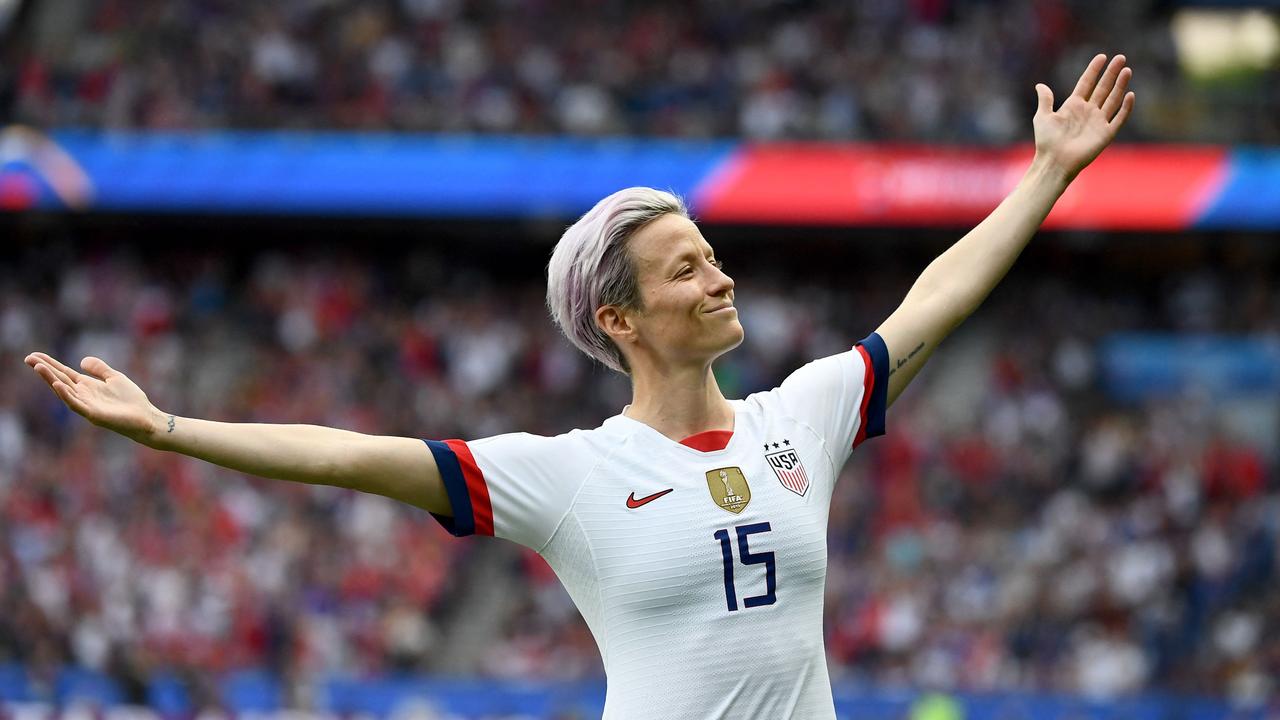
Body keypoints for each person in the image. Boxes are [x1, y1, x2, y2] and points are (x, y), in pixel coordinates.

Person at [25, 54, 1134, 719]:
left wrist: (1044, 176)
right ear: (619, 318)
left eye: (712, 255)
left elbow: (931, 303)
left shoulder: (799, 417)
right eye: (685, 268)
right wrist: (168, 428)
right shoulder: (566, 475)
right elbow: (352, 456)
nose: (719, 276)